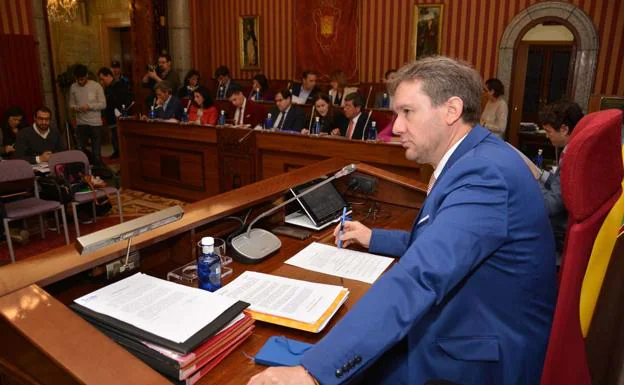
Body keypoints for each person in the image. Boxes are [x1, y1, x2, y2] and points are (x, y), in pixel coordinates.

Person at [247, 56, 556, 385]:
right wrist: (374, 238)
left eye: (407, 112)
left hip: (477, 356)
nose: (395, 127)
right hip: (469, 325)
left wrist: (312, 372)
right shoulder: (477, 156)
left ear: (451, 110)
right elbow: (444, 243)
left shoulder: (484, 175)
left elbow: (422, 275)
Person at [537, 100, 584, 253]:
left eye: (548, 131)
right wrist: (539, 175)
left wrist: (529, 185)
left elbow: (552, 205)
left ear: (564, 129)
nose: (546, 136)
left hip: (559, 233)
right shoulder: (574, 148)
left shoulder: (573, 157)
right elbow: (561, 185)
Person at [69, 64, 106, 166]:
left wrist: (89, 106)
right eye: (78, 79)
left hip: (95, 124)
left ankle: (98, 174)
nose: (80, 82)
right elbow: (71, 104)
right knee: (80, 151)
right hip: (81, 123)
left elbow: (103, 104)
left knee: (96, 152)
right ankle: (83, 173)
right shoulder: (73, 87)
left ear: (87, 75)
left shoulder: (96, 86)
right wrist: (76, 108)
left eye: (82, 79)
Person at [98, 67, 131, 159]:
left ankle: (121, 154)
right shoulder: (107, 88)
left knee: (118, 137)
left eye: (102, 79)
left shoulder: (119, 85)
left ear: (108, 76)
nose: (101, 82)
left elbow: (123, 101)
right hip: (111, 117)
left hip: (119, 116)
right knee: (114, 136)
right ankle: (117, 152)